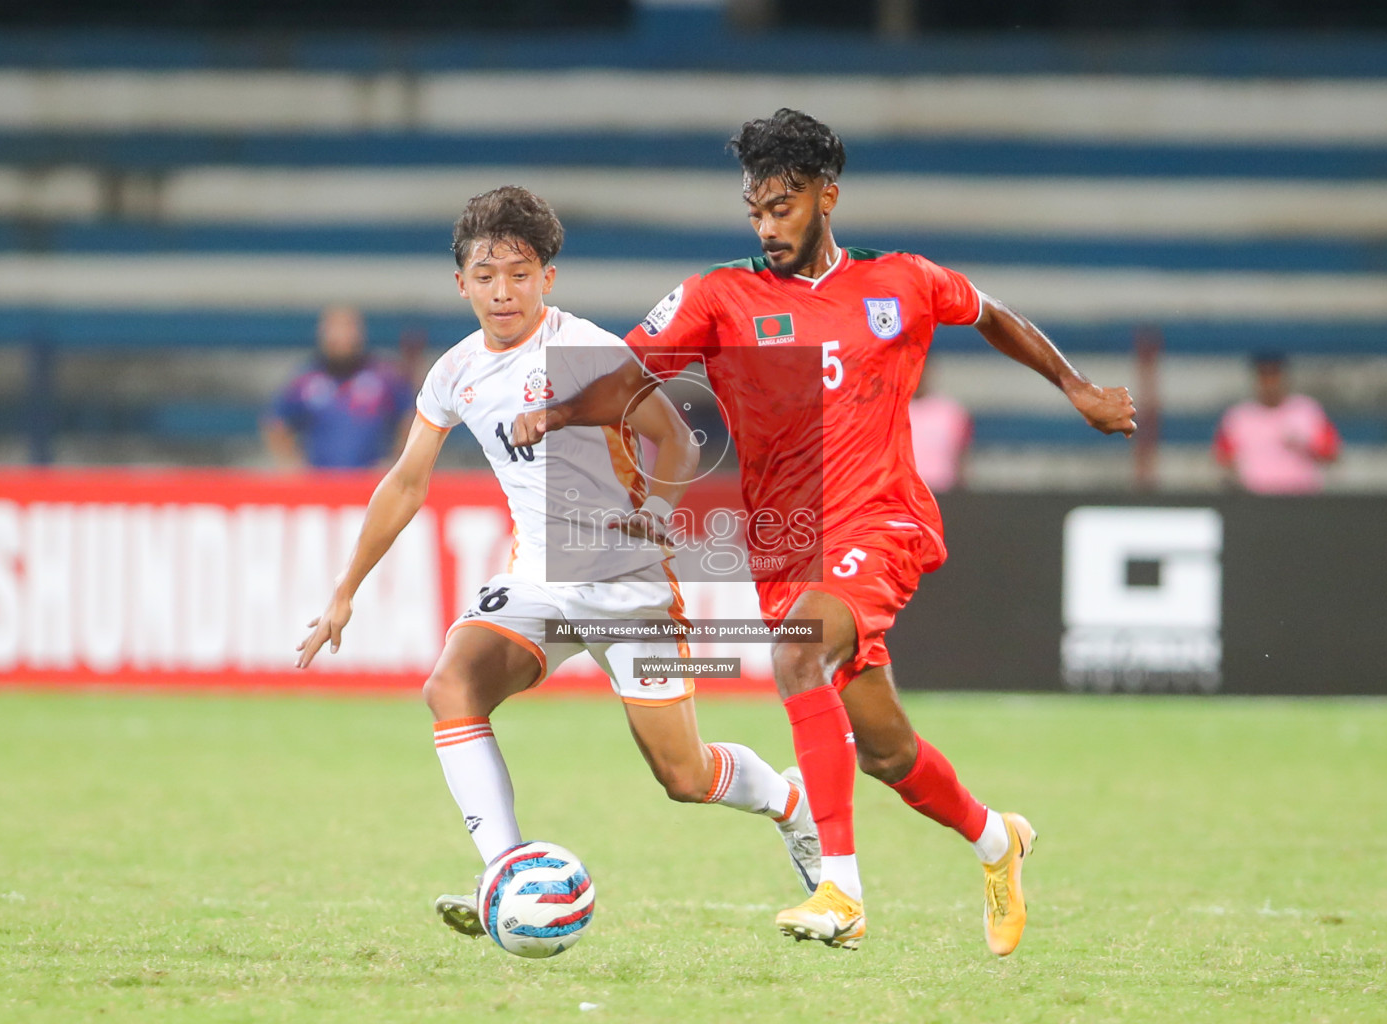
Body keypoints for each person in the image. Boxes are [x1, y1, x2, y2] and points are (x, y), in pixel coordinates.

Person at [512, 109, 1136, 953]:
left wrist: (1080, 388)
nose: (768, 227)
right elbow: (627, 376)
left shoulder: (902, 282)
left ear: (827, 197)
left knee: (797, 652)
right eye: (756, 211)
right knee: (887, 752)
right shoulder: (718, 297)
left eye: (784, 207)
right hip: (788, 546)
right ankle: (999, 839)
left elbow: (991, 314)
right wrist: (555, 415)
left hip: (882, 519)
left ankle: (840, 888)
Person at [294, 186, 820, 940]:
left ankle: (791, 805)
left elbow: (676, 439)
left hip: (627, 588)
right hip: (538, 580)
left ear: (548, 278)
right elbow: (406, 481)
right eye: (485, 274)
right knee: (451, 685)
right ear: (461, 284)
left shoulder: (589, 354)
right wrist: (345, 592)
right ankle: (506, 871)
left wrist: (658, 517)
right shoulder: (455, 372)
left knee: (684, 775)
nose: (501, 291)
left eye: (519, 272)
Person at [264, 306, 416, 469]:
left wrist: (396, 463)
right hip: (320, 482)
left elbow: (410, 418)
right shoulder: (305, 381)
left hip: (371, 481)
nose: (342, 336)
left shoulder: (384, 377)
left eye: (348, 328)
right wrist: (293, 465)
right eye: (334, 329)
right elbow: (277, 423)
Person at [1213, 353, 1340, 494]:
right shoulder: (1239, 416)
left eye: (1274, 376)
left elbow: (1331, 454)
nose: (1270, 384)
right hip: (1256, 497)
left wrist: (1305, 447)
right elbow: (1224, 458)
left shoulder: (1307, 410)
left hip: (1301, 495)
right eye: (1264, 376)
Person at [908, 365, 973, 492]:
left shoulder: (951, 411)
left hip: (942, 492)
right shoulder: (891, 411)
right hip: (905, 494)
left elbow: (962, 457)